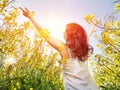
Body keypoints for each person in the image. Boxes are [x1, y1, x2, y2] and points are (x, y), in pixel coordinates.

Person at [20, 7, 98, 90]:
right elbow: (86, 37)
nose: (63, 33)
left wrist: (31, 18)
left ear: (69, 35)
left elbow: (44, 33)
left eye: (65, 31)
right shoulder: (83, 49)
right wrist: (93, 26)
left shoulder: (64, 48)